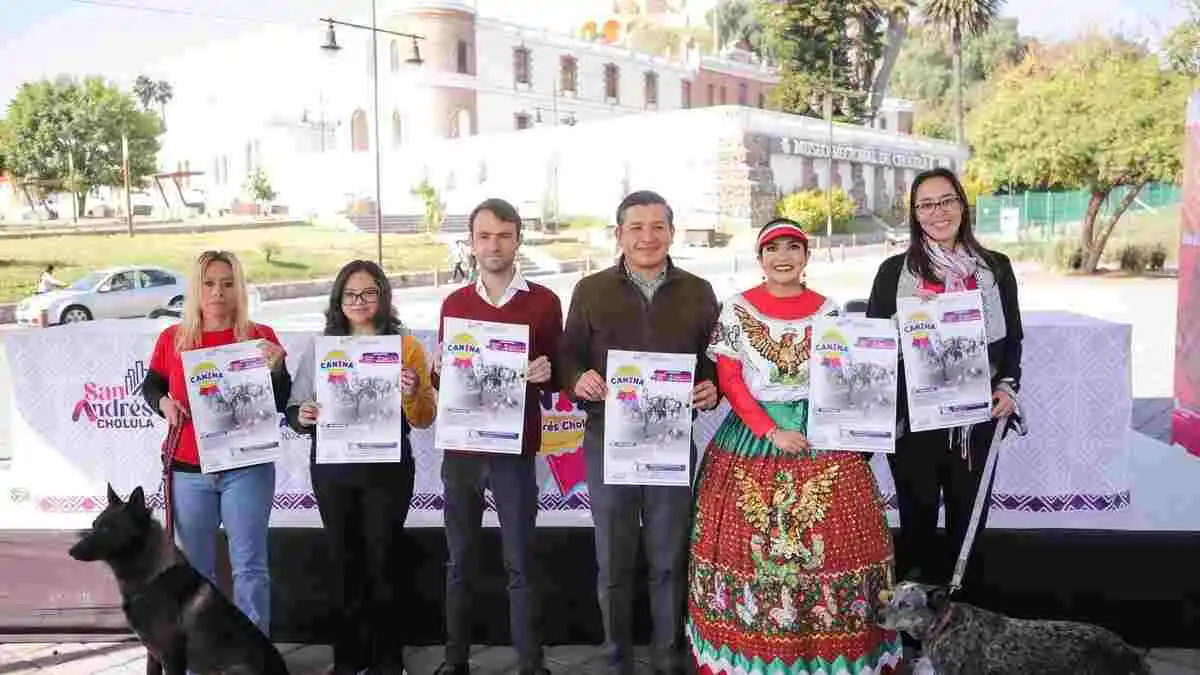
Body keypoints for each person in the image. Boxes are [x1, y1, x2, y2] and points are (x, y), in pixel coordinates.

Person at [688, 218, 903, 675]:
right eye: (772, 249)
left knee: (841, 538)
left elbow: (839, 370)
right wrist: (770, 432)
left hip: (821, 430)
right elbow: (730, 378)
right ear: (759, 258)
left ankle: (831, 656)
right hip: (753, 432)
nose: (782, 257)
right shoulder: (737, 309)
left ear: (806, 257)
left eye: (793, 248)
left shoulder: (827, 309)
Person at [560, 190, 721, 675]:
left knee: (670, 555)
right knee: (614, 559)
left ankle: (669, 656)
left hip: (672, 442)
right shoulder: (590, 289)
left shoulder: (699, 290)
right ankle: (616, 658)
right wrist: (577, 379)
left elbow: (714, 360)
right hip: (607, 442)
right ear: (619, 234)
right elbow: (568, 355)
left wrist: (712, 386)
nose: (647, 237)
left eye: (658, 227)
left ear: (672, 232)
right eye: (637, 227)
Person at [866, 166, 1023, 595]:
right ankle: (916, 634)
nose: (938, 212)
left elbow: (1012, 339)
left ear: (962, 205)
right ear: (915, 215)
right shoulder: (893, 272)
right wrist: (908, 314)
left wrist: (1008, 387)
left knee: (967, 525)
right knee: (916, 523)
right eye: (927, 204)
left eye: (947, 200)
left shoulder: (995, 269)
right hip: (913, 422)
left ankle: (961, 622)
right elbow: (873, 346)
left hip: (975, 421)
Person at [286, 259, 436, 675]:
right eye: (351, 294)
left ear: (383, 297)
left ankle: (389, 660)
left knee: (384, 560)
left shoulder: (406, 345)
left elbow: (424, 417)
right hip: (333, 468)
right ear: (339, 300)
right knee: (343, 562)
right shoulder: (321, 347)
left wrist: (412, 390)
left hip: (387, 469)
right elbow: (294, 411)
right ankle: (348, 660)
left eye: (369, 293)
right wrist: (305, 414)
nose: (360, 301)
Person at [432, 198, 563, 675]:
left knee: (520, 563)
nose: (494, 245)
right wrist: (437, 370)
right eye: (484, 236)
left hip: (514, 451)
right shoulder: (454, 304)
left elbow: (558, 374)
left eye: (503, 236)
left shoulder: (545, 302)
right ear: (471, 242)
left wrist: (546, 372)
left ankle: (532, 663)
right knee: (459, 562)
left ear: (518, 240)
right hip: (463, 450)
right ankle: (455, 661)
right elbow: (441, 380)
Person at [140, 250, 291, 636]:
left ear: (238, 288)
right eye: (209, 283)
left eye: (227, 283)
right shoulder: (173, 339)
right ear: (196, 288)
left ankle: (253, 656)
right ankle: (198, 657)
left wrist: (275, 370)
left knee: (250, 568)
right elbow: (153, 383)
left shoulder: (261, 338)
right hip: (189, 471)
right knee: (194, 573)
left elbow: (279, 401)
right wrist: (163, 403)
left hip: (247, 468)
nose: (218, 292)